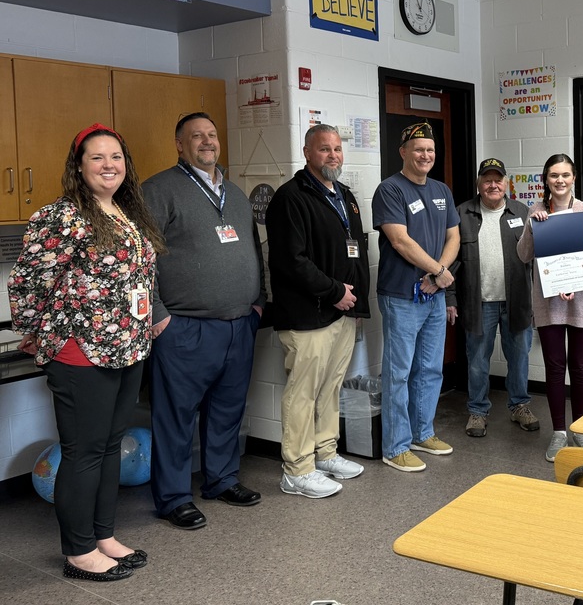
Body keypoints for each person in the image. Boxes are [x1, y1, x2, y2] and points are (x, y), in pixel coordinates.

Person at [8, 124, 163, 581]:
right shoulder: (62, 216)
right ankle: (78, 552)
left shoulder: (124, 212)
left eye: (116, 156)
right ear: (79, 165)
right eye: (97, 157)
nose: (108, 165)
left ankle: (103, 535)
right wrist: (37, 331)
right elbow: (28, 280)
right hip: (81, 350)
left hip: (128, 346)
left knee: (111, 446)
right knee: (84, 452)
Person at [143, 112, 266, 529]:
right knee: (176, 416)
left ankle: (221, 479)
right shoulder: (159, 190)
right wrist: (158, 316)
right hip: (184, 327)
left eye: (211, 135)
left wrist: (258, 302)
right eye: (196, 136)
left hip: (238, 323)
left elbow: (253, 249)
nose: (206, 142)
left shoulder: (233, 192)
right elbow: (140, 258)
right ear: (180, 144)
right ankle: (174, 497)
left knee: (227, 410)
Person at [265, 124, 370, 498]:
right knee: (303, 391)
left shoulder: (346, 196)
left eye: (338, 149)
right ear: (307, 152)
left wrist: (358, 304)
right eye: (324, 149)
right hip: (307, 314)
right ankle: (296, 469)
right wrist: (335, 291)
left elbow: (356, 249)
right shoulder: (290, 198)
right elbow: (291, 261)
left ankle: (325, 453)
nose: (333, 156)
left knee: (330, 388)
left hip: (342, 311)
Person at [371, 122, 459, 473]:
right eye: (419, 149)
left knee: (429, 369)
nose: (426, 156)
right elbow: (400, 241)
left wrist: (438, 277)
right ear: (403, 151)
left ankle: (423, 433)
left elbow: (453, 237)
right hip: (401, 296)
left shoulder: (441, 190)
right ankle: (395, 447)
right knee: (398, 373)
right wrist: (440, 272)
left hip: (433, 296)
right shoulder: (390, 190)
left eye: (431, 151)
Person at [516, 154, 583, 462]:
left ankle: (580, 428)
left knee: (579, 368)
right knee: (555, 368)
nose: (560, 180)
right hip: (548, 301)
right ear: (546, 179)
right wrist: (531, 226)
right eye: (554, 175)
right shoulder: (536, 211)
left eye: (566, 174)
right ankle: (558, 432)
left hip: (581, 300)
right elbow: (524, 255)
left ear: (574, 178)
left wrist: (574, 283)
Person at [448, 158, 537, 438]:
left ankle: (519, 405)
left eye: (498, 179)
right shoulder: (461, 214)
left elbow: (536, 259)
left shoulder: (522, 212)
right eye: (487, 179)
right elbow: (451, 260)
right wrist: (450, 297)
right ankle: (477, 411)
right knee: (477, 360)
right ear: (479, 183)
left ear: (506, 183)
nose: (493, 184)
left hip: (518, 302)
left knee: (519, 358)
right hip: (478, 303)